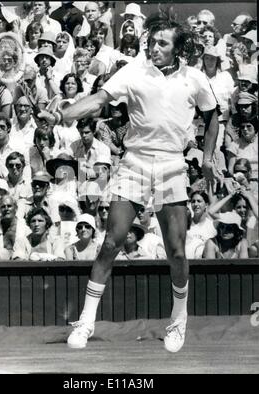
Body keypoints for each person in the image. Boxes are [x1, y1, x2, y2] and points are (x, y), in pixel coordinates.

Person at [37, 10, 220, 353]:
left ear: (177, 48)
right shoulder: (133, 72)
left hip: (171, 165)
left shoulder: (194, 78)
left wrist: (208, 159)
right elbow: (98, 100)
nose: (154, 48)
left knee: (177, 250)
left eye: (162, 43)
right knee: (111, 242)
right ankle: (86, 322)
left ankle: (178, 322)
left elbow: (213, 118)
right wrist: (61, 114)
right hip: (134, 164)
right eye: (152, 42)